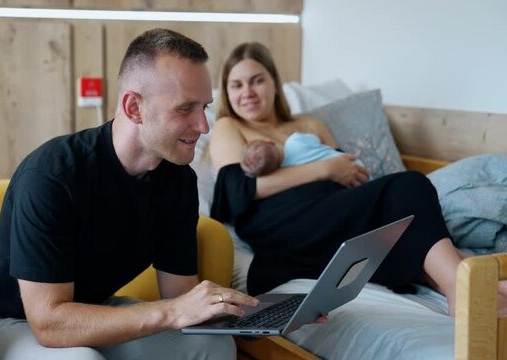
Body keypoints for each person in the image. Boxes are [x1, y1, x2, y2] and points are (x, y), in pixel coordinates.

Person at [0, 28, 260, 360]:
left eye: (205, 107)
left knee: (213, 345)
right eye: (185, 108)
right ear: (134, 108)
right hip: (9, 320)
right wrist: (172, 312)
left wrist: (256, 316)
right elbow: (49, 323)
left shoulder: (178, 181)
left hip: (92, 309)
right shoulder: (52, 176)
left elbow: (181, 297)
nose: (204, 126)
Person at [209, 41, 507, 316]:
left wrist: (346, 174)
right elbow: (239, 191)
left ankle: (467, 286)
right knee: (409, 184)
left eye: (256, 80)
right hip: (280, 221)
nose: (246, 92)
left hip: (335, 211)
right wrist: (325, 170)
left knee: (399, 229)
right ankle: (463, 285)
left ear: (274, 83)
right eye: (236, 85)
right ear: (227, 92)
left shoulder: (308, 123)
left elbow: (349, 169)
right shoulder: (229, 126)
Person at [240, 133, 366, 177]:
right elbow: (314, 139)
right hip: (351, 162)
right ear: (270, 141)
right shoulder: (293, 140)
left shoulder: (288, 171)